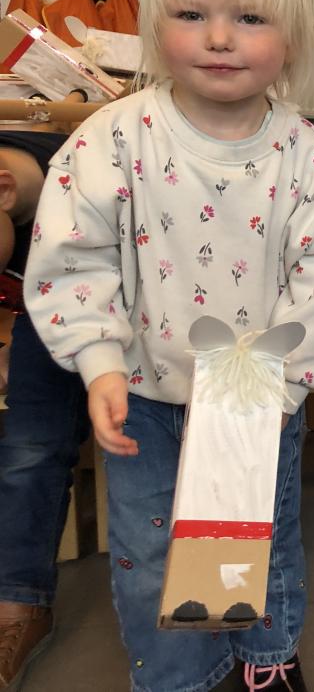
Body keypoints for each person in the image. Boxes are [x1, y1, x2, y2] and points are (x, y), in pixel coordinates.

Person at [22, 0, 314, 692]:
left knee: (259, 534)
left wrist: (283, 388)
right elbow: (73, 253)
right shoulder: (112, 138)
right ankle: (178, 677)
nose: (220, 38)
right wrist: (99, 362)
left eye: (250, 19)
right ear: (154, 26)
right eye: (192, 14)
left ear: (291, 40)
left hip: (255, 397)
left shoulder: (305, 158)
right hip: (142, 393)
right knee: (149, 551)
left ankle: (267, 658)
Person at [0, 129, 91, 691]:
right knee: (31, 443)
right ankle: (18, 604)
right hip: (42, 316)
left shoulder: (90, 166)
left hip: (151, 301)